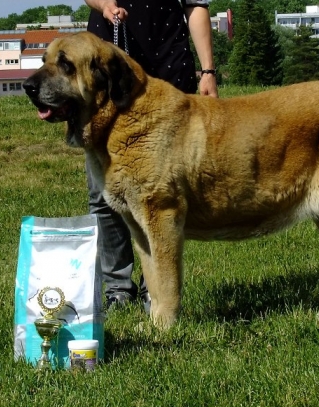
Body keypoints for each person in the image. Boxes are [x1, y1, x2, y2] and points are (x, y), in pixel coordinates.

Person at [83, 0, 218, 311]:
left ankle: (153, 287)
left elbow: (196, 6)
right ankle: (117, 287)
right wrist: (103, 4)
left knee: (160, 195)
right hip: (108, 66)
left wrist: (208, 70)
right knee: (103, 194)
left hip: (167, 63)